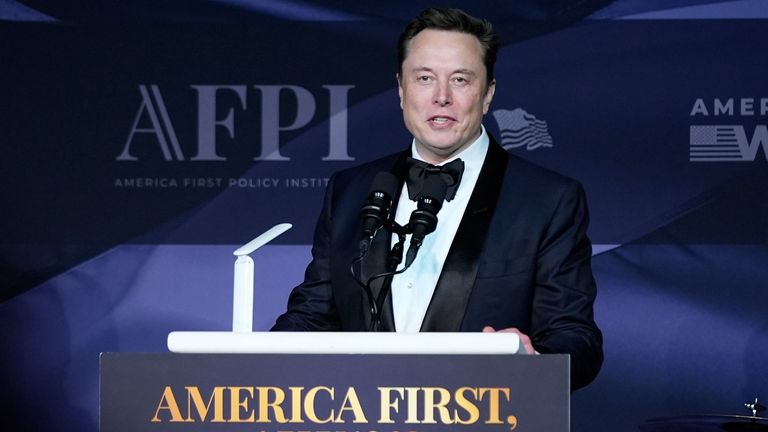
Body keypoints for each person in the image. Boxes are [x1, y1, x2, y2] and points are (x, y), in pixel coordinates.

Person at [272, 7, 603, 390]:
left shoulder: (547, 199)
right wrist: (246, 364)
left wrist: (534, 364)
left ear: (488, 93)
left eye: (460, 80)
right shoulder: (350, 190)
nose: (441, 97)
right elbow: (312, 316)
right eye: (425, 78)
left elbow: (576, 338)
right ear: (401, 89)